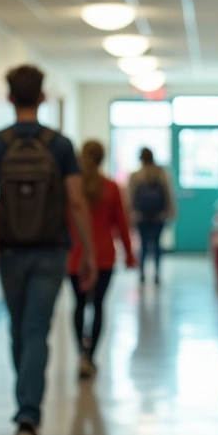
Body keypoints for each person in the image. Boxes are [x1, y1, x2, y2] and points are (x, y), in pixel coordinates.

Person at [0, 65, 96, 435]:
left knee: (19, 329)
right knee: (38, 329)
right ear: (42, 97)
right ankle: (28, 416)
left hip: (9, 250)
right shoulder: (60, 145)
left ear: (8, 98)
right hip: (51, 251)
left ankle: (26, 405)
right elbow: (76, 201)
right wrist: (87, 251)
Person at [68, 140, 137, 379]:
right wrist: (129, 253)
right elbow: (121, 223)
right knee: (97, 306)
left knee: (78, 305)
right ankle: (91, 356)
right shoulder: (110, 187)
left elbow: (66, 222)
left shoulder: (73, 188)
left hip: (75, 255)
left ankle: (81, 353)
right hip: (104, 257)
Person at [128, 147, 175, 284]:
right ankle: (157, 273)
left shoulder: (136, 175)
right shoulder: (161, 173)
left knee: (143, 244)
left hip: (141, 215)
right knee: (157, 245)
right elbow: (168, 193)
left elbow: (130, 197)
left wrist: (131, 213)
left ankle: (142, 273)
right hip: (158, 215)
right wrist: (170, 211)